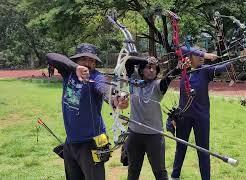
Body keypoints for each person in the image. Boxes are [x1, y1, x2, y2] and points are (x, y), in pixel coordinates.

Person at [46, 43, 128, 180]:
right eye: (83, 59)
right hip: (71, 142)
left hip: (92, 143)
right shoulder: (69, 73)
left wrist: (116, 100)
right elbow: (50, 56)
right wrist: (75, 68)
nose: (88, 63)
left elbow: (105, 89)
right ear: (76, 61)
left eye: (92, 60)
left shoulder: (96, 77)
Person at [169, 48, 230, 180]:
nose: (202, 57)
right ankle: (175, 176)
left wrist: (239, 59)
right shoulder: (183, 68)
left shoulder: (205, 70)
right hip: (183, 116)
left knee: (203, 150)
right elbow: (179, 47)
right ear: (189, 56)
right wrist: (204, 54)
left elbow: (221, 67)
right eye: (198, 54)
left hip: (201, 117)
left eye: (203, 54)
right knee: (181, 147)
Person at [124, 56, 180, 180]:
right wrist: (144, 60)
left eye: (154, 68)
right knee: (133, 170)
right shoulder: (134, 80)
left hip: (154, 136)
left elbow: (168, 78)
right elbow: (129, 62)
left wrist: (178, 68)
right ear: (141, 70)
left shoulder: (158, 85)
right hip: (134, 134)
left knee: (160, 172)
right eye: (148, 67)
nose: (152, 70)